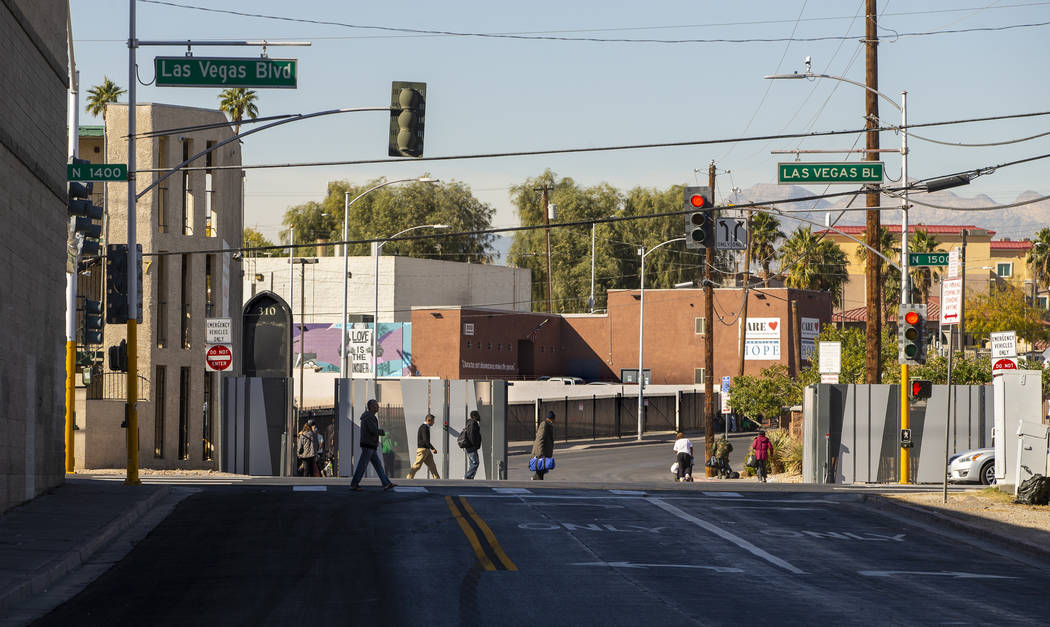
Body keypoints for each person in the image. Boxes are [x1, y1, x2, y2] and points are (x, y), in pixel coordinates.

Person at [350, 399, 396, 491]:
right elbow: (372, 430)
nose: (378, 407)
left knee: (378, 466)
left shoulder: (369, 416)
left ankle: (386, 483)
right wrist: (381, 431)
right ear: (371, 407)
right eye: (376, 405)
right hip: (368, 445)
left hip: (369, 445)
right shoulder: (369, 417)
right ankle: (354, 484)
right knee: (362, 465)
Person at [406, 414, 440, 479]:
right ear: (428, 420)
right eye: (433, 421)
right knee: (417, 466)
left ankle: (437, 480)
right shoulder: (424, 427)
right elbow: (425, 440)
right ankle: (408, 478)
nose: (434, 422)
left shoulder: (426, 427)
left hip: (427, 450)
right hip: (423, 450)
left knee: (433, 467)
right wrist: (433, 448)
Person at [532, 410, 556, 480]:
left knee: (542, 470)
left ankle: (536, 478)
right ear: (552, 418)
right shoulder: (544, 424)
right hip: (541, 452)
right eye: (554, 419)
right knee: (540, 469)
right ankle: (536, 480)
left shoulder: (548, 425)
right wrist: (540, 453)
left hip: (544, 452)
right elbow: (540, 438)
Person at [463, 410, 482, 479]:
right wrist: (474, 444)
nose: (479, 416)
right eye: (478, 415)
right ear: (475, 416)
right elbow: (471, 435)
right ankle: (467, 476)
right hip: (471, 446)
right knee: (475, 463)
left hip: (469, 446)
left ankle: (470, 478)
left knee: (472, 463)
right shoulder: (473, 423)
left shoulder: (470, 422)